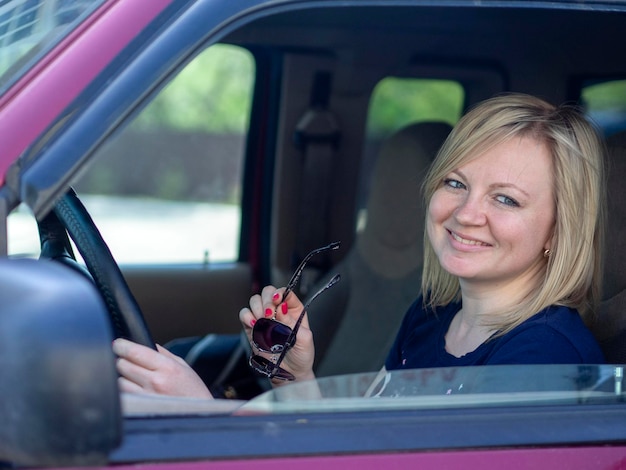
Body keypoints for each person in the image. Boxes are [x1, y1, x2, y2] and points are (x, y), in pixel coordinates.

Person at [113, 93, 606, 396]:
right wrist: (293, 376)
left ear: (559, 231)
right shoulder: (430, 317)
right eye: (455, 183)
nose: (465, 213)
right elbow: (360, 449)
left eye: (505, 199)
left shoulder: (545, 357)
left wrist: (200, 412)